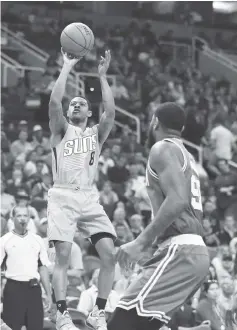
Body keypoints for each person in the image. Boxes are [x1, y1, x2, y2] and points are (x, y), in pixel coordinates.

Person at [108, 102, 210, 330]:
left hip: (181, 250)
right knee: (142, 325)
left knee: (120, 325)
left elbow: (178, 200)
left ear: (155, 121)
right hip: (191, 251)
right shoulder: (188, 156)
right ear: (181, 128)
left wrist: (140, 242)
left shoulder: (162, 149)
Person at [48, 49, 117, 330]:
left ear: (89, 112)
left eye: (81, 104)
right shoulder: (60, 129)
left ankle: (97, 312)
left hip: (89, 196)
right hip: (63, 194)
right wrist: (66, 66)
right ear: (68, 112)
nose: (76, 105)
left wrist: (102, 77)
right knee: (63, 255)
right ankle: (62, 313)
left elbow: (110, 112)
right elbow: (54, 101)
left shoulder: (95, 134)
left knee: (110, 255)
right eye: (72, 103)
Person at [0, 206, 52, 330]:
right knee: (12, 327)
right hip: (13, 288)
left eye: (25, 215)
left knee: (36, 326)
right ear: (12, 218)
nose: (22, 219)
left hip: (34, 289)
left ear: (29, 218)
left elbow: (42, 268)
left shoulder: (37, 240)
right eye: (19, 215)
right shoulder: (4, 241)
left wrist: (49, 295)